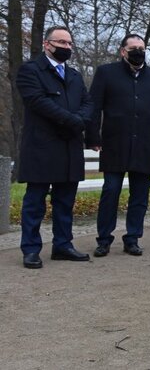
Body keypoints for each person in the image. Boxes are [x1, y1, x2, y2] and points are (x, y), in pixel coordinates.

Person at [87, 33, 150, 257]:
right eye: (134, 48)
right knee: (110, 191)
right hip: (114, 143)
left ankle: (133, 238)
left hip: (145, 143)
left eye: (142, 48)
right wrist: (93, 136)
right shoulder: (106, 73)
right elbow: (94, 107)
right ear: (123, 51)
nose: (138, 52)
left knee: (140, 195)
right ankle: (104, 239)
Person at [16, 26, 93, 268]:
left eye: (69, 43)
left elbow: (87, 103)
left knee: (65, 201)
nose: (66, 47)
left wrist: (80, 120)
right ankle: (30, 249)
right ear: (47, 44)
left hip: (69, 147)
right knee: (35, 202)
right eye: (61, 43)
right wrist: (72, 121)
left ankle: (63, 245)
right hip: (41, 146)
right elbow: (37, 101)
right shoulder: (30, 70)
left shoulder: (74, 76)